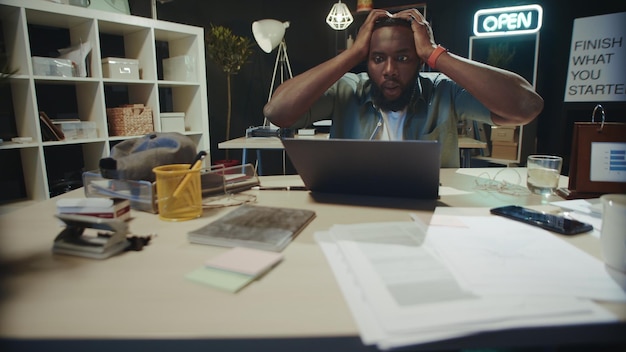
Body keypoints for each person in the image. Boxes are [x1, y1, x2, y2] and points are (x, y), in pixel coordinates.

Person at [263, 9, 544, 167]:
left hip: (428, 218)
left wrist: (435, 53)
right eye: (377, 58)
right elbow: (277, 112)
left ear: (420, 60)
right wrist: (351, 55)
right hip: (353, 209)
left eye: (403, 58)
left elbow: (526, 106)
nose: (389, 70)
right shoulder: (347, 90)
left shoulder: (443, 92)